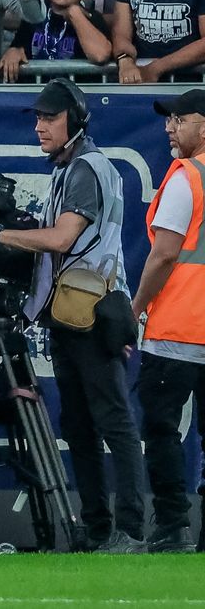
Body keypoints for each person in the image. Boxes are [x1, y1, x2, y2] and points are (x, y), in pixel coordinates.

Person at [0, 80, 145, 553]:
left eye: (49, 118)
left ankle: (130, 530)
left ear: (73, 120)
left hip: (88, 315)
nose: (39, 127)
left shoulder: (85, 168)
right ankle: (98, 529)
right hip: (72, 316)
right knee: (81, 426)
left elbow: (61, 240)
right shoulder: (73, 168)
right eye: (38, 118)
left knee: (112, 423)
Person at [128, 89, 205, 554]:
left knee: (161, 432)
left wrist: (135, 308)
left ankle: (173, 526)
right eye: (168, 119)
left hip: (177, 331)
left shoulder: (186, 178)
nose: (169, 127)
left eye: (179, 119)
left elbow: (164, 255)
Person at [0, 0, 112, 80]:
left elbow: (100, 55)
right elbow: (18, 48)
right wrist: (13, 51)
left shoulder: (92, 18)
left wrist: (76, 14)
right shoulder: (35, 14)